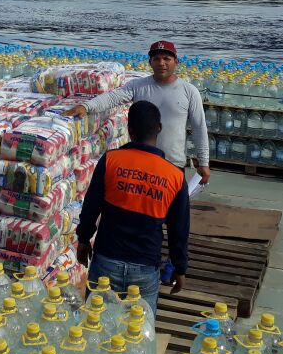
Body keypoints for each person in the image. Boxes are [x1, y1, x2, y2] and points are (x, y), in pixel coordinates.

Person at [76, 100, 190, 314]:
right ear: (159, 128)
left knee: (96, 326)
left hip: (106, 262)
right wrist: (180, 267)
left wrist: (83, 239)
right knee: (138, 331)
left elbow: (91, 206)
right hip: (145, 268)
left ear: (129, 130)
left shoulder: (111, 161)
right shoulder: (174, 176)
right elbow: (179, 229)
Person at [63, 40, 211, 183]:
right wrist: (86, 107)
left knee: (175, 207)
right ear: (150, 62)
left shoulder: (189, 91)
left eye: (167, 58)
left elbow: (199, 128)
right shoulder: (138, 86)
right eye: (156, 59)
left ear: (176, 61)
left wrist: (204, 162)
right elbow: (113, 97)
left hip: (173, 164)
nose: (161, 63)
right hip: (141, 162)